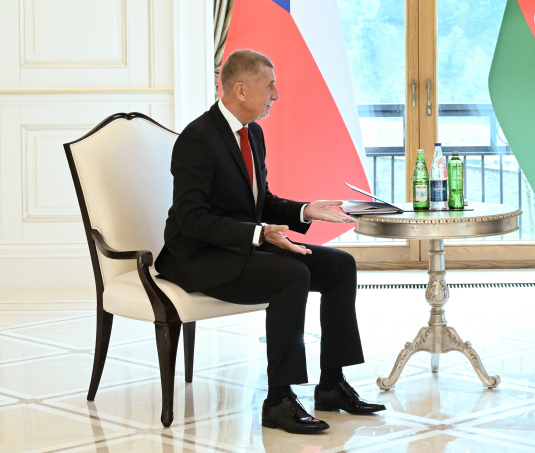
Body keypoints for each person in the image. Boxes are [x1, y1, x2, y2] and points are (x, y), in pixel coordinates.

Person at [156, 49, 385, 434]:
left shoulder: (252, 134)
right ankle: (278, 399)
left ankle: (331, 385)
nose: (276, 95)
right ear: (241, 90)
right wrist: (259, 234)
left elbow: (259, 201)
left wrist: (305, 210)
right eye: (270, 86)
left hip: (241, 245)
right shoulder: (198, 139)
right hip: (199, 257)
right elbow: (192, 220)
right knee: (291, 275)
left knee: (339, 266)